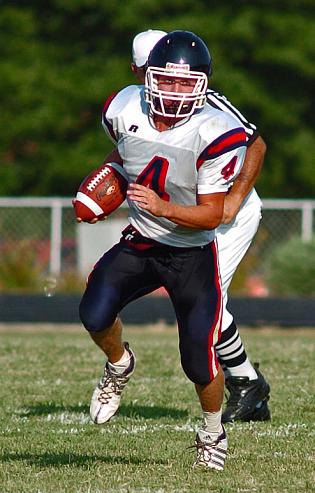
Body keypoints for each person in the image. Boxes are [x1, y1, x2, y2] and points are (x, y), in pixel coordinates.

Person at [78, 30, 250, 470]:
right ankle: (119, 364)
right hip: (142, 240)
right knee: (93, 313)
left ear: (203, 84)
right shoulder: (122, 107)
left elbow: (212, 215)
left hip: (191, 252)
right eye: (166, 80)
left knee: (197, 356)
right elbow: (127, 155)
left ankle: (213, 433)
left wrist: (165, 207)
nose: (174, 91)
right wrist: (107, 184)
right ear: (147, 77)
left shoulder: (216, 130)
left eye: (184, 82)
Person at [130, 30, 270, 423]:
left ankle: (246, 384)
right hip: (188, 218)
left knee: (201, 300)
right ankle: (248, 383)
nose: (165, 88)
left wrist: (235, 198)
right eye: (148, 74)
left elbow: (255, 143)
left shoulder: (205, 100)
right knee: (196, 300)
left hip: (226, 214)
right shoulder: (133, 106)